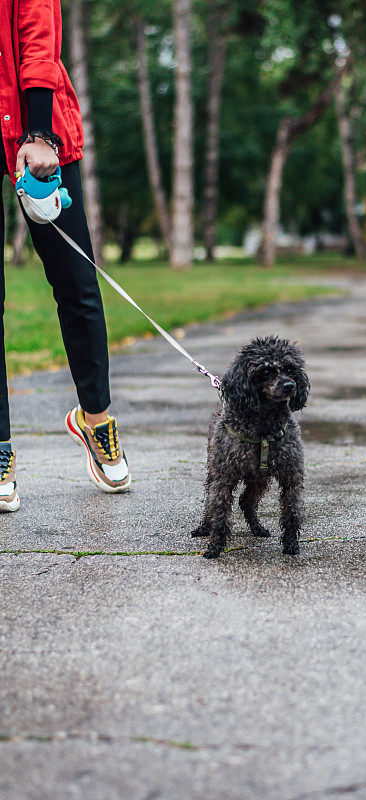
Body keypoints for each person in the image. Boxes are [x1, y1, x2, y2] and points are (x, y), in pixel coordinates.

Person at [0, 0, 130, 511]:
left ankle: (95, 419)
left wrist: (36, 132)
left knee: (77, 282)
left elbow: (38, 36)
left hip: (36, 124)